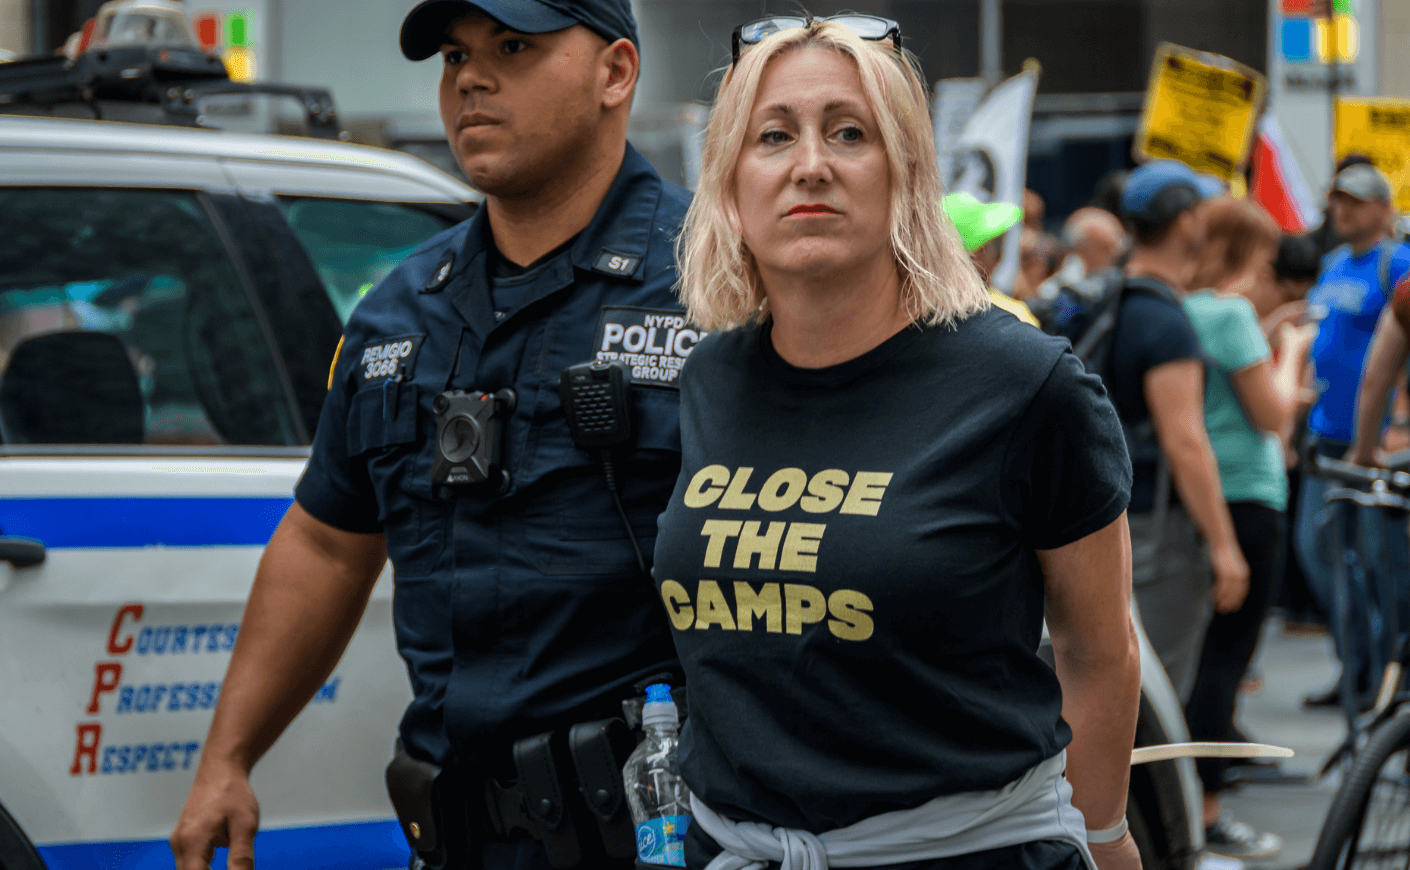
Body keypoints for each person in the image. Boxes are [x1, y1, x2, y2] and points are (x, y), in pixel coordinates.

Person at [169, 1, 691, 868]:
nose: (471, 79)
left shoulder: (720, 282)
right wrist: (227, 758)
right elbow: (327, 545)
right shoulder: (397, 311)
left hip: (654, 836)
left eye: (513, 47)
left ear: (616, 73)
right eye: (454, 56)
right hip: (452, 834)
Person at [663, 18, 1140, 870]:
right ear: (730, 181)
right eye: (774, 136)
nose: (812, 164)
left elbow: (1097, 651)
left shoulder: (1024, 383)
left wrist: (1104, 839)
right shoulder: (708, 377)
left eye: (850, 132)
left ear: (908, 174)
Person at [1180, 197, 1313, 859]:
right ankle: (1204, 814)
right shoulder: (1228, 314)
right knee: (1224, 659)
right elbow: (1273, 414)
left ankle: (1190, 804)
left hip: (1198, 499)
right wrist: (1291, 353)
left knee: (1201, 654)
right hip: (1246, 496)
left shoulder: (1176, 307)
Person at [1105, 162, 1249, 708]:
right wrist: (1224, 546)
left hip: (1103, 512)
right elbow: (1185, 442)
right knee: (1153, 700)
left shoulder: (1109, 300)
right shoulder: (1165, 323)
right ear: (1186, 221)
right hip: (1155, 533)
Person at [1295, 162, 1410, 710]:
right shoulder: (1333, 263)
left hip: (1377, 446)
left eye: (1356, 201)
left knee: (1378, 564)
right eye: (1337, 199)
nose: (1342, 209)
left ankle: (1384, 677)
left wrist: (1397, 425)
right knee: (1320, 553)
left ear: (1385, 208)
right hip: (1328, 435)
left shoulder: (1397, 263)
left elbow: (1392, 359)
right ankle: (1355, 667)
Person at [941, 191, 1040, 326]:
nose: (998, 254)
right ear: (975, 255)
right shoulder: (1014, 318)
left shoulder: (917, 317)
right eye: (991, 243)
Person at [1038, 208, 1127, 299]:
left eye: (1116, 248)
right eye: (1104, 248)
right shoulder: (1057, 289)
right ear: (1080, 248)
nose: (1114, 254)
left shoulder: (1119, 281)